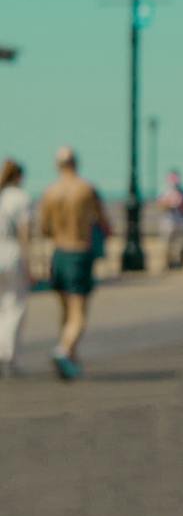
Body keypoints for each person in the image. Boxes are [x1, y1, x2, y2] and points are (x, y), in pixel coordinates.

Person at [38, 146, 112, 380]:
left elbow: (45, 228)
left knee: (64, 310)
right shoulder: (86, 189)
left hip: (59, 253)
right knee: (78, 312)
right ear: (76, 162)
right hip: (79, 253)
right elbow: (104, 222)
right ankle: (63, 351)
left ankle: (71, 358)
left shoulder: (50, 192)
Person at [0, 158, 32, 377]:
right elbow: (25, 232)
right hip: (12, 254)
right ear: (20, 176)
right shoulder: (22, 198)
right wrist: (30, 263)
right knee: (15, 305)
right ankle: (7, 354)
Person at [158, 168, 183, 271]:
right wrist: (168, 203)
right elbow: (160, 205)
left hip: (181, 220)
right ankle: (169, 264)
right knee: (167, 243)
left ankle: (182, 264)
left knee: (182, 243)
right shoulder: (164, 191)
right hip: (168, 221)